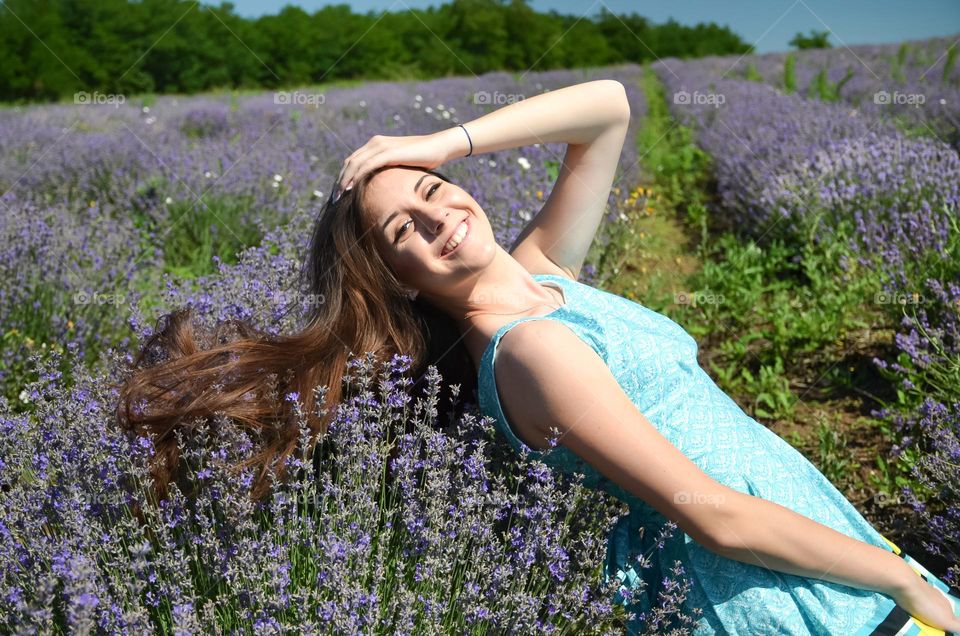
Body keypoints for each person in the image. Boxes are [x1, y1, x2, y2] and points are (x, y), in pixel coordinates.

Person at [118, 79, 960, 634]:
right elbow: (713, 515)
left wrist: (442, 141)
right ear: (398, 281)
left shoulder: (544, 277)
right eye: (405, 229)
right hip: (763, 593)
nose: (440, 213)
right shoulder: (532, 353)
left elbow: (609, 109)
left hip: (804, 543)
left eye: (432, 190)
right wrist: (901, 577)